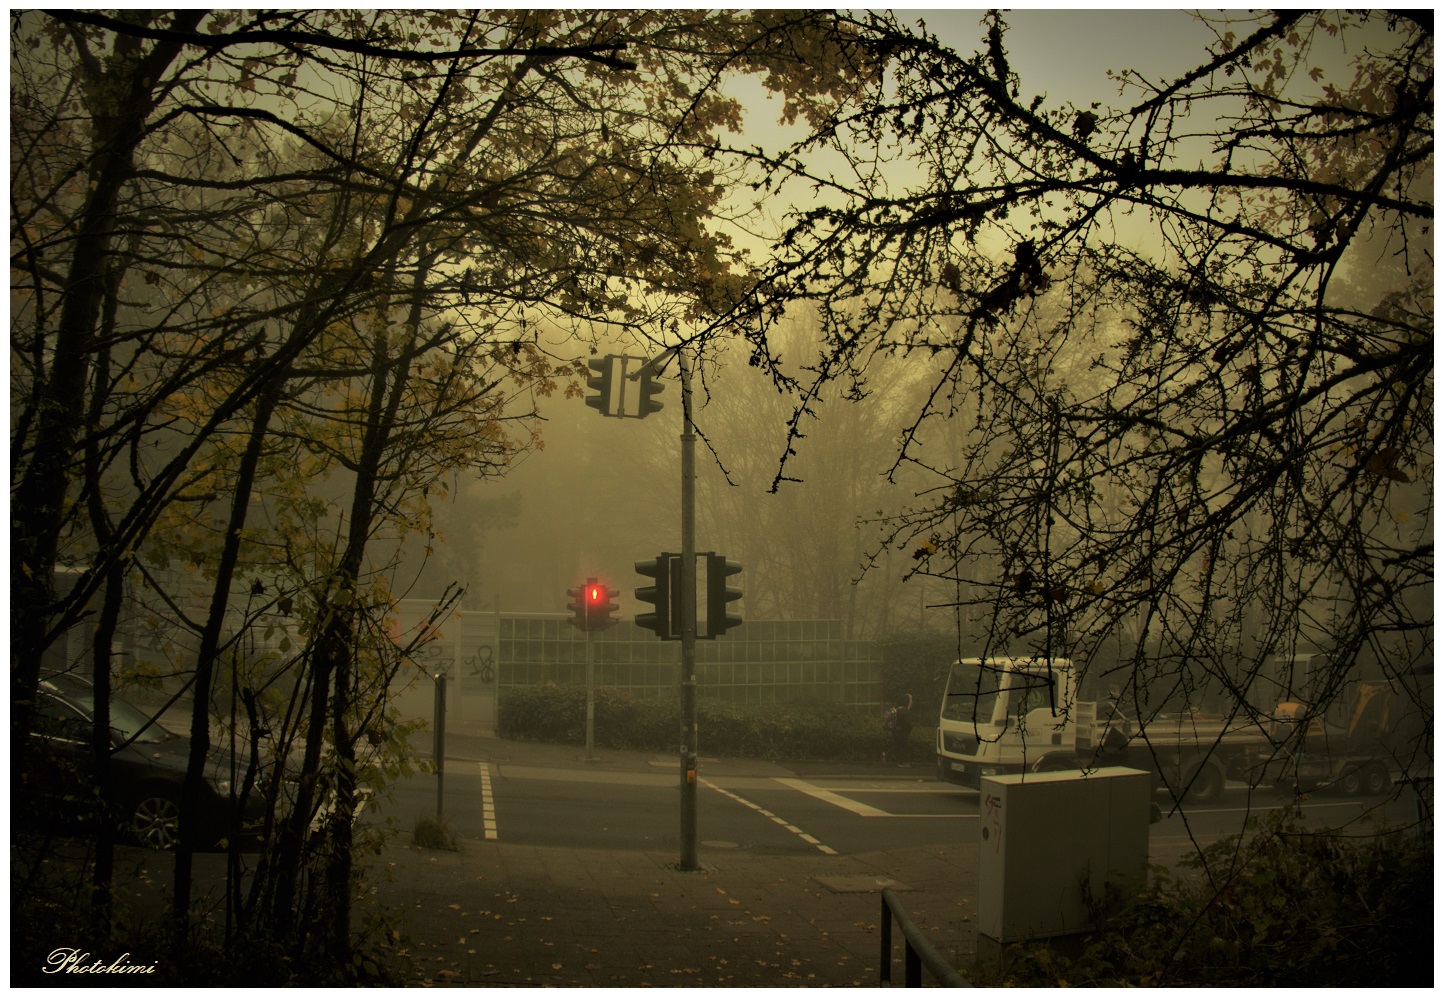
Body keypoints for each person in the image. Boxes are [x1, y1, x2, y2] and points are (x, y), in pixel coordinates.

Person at [883, 693, 914, 766]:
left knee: (897, 746)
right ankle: (901, 763)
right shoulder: (905, 711)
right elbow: (907, 723)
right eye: (910, 700)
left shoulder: (897, 709)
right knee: (903, 747)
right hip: (902, 732)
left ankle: (886, 755)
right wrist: (910, 728)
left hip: (895, 731)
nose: (911, 702)